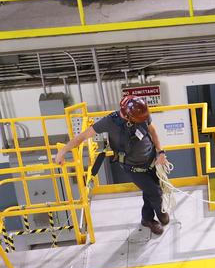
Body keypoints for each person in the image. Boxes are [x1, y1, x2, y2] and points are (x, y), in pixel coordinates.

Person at [54, 96, 169, 235]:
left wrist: (160, 152)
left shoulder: (141, 113)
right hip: (133, 167)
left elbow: (152, 131)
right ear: (127, 116)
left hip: (151, 160)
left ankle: (147, 219)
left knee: (149, 190)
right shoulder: (109, 122)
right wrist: (62, 151)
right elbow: (82, 137)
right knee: (155, 193)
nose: (142, 121)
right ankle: (161, 215)